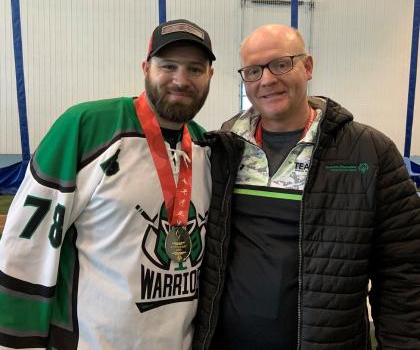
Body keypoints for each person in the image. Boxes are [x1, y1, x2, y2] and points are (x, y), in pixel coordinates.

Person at [193, 24, 420, 350]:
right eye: (253, 71)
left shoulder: (369, 152)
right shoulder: (225, 150)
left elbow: (404, 272)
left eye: (281, 64)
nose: (267, 80)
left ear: (308, 67)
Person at [0, 19, 216, 349]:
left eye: (195, 69)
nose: (181, 80)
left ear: (210, 76)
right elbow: (26, 246)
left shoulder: (206, 148)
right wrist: (17, 343)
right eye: (168, 66)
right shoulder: (86, 127)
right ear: (146, 68)